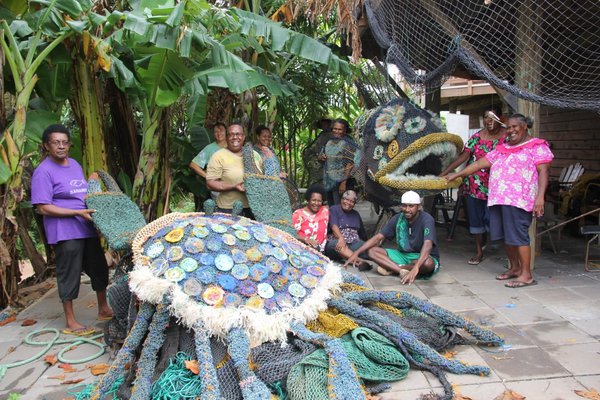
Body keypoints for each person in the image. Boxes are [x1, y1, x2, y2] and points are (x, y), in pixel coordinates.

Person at [445, 114, 553, 288]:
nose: (510, 131)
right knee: (505, 236)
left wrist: (540, 197)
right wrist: (457, 174)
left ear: (525, 126)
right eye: (508, 127)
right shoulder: (503, 148)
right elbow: (480, 163)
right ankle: (515, 268)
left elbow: (544, 172)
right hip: (498, 199)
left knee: (518, 236)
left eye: (514, 127)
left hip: (519, 200)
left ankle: (526, 275)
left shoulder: (536, 146)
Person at [31, 124, 112, 336]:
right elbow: (43, 207)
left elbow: (82, 194)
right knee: (70, 273)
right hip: (65, 231)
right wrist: (76, 213)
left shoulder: (74, 164)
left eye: (64, 142)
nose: (61, 146)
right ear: (47, 145)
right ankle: (70, 319)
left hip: (86, 227)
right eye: (56, 142)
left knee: (99, 268)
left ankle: (103, 308)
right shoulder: (43, 171)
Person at [440, 106, 507, 265]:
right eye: (486, 117)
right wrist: (446, 172)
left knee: (493, 218)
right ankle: (479, 251)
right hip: (474, 186)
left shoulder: (506, 138)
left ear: (500, 119)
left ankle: (502, 249)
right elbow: (463, 157)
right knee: (476, 219)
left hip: (497, 187)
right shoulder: (477, 137)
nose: (488, 121)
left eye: (492, 118)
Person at [344, 191, 440, 285]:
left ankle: (391, 267)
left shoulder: (427, 219)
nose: (407, 209)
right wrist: (356, 252)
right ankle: (400, 270)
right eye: (404, 205)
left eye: (411, 206)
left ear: (418, 207)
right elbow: (378, 237)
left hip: (421, 255)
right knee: (372, 251)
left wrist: (417, 267)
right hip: (403, 255)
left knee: (428, 264)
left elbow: (428, 244)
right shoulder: (398, 218)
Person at [206, 123, 258, 218]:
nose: (235, 137)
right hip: (227, 209)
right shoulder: (218, 156)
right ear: (226, 137)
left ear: (243, 136)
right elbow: (210, 183)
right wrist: (234, 186)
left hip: (254, 208)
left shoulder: (254, 155)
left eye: (238, 134)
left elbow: (264, 177)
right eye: (231, 134)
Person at [324, 190, 370, 270]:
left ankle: (387, 266)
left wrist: (367, 244)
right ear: (341, 199)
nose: (348, 203)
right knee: (335, 245)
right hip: (338, 242)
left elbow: (362, 233)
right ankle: (360, 261)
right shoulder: (334, 209)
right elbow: (334, 226)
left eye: (352, 201)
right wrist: (341, 238)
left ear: (354, 204)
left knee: (369, 247)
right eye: (347, 199)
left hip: (353, 244)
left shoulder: (356, 214)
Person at [318, 118, 359, 205]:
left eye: (340, 129)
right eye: (335, 129)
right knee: (331, 207)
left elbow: (350, 163)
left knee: (339, 206)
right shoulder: (328, 142)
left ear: (345, 130)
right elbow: (322, 158)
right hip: (328, 181)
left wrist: (343, 183)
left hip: (341, 181)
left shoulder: (347, 143)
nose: (337, 131)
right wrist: (321, 157)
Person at [292, 184, 329, 251]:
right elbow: (291, 233)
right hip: (303, 248)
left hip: (323, 249)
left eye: (319, 201)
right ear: (308, 200)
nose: (316, 203)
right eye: (313, 200)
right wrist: (306, 239)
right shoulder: (298, 214)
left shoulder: (324, 211)